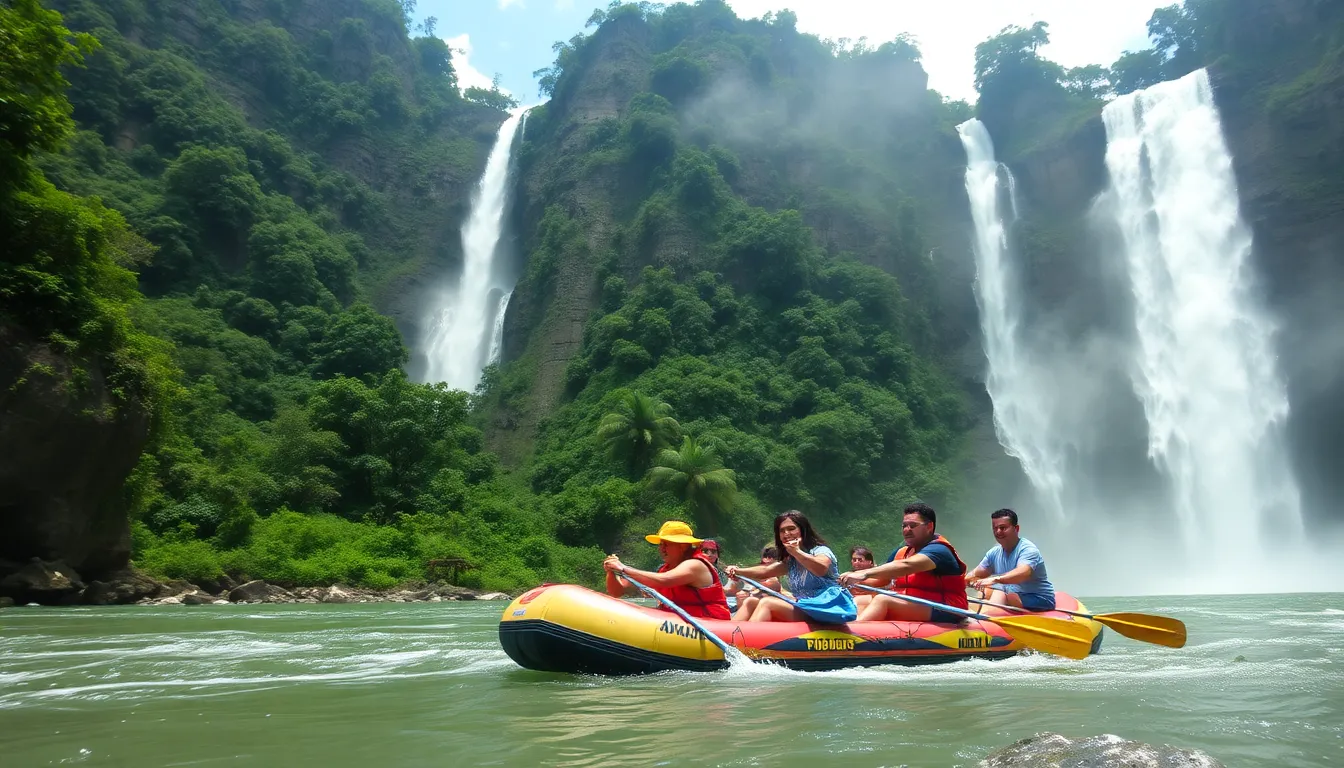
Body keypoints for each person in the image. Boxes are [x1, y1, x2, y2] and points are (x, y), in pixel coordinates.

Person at [839, 502, 968, 624]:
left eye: (912, 526)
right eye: (904, 526)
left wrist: (864, 573)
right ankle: (845, 627)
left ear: (929, 527)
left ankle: (854, 635)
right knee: (859, 601)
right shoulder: (903, 551)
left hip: (946, 608)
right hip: (914, 601)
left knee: (883, 600)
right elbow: (882, 580)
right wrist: (854, 581)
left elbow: (907, 566)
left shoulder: (939, 550)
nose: (906, 530)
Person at [726, 511, 849, 623]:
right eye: (782, 531)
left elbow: (821, 568)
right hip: (806, 608)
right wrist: (737, 571)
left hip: (828, 608)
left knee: (767, 603)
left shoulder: (821, 551)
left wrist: (796, 551)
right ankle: (726, 638)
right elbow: (765, 571)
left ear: (803, 530)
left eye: (791, 529)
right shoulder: (791, 562)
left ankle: (743, 643)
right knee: (750, 602)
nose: (786, 534)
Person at [603, 520, 731, 620]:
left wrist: (624, 568)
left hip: (711, 623)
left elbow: (664, 581)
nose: (662, 549)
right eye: (661, 544)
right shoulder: (664, 569)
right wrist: (611, 572)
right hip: (679, 624)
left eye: (666, 544)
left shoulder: (695, 565)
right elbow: (617, 592)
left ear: (683, 546)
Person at [965, 508, 1056, 612]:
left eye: (1003, 528)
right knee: (986, 590)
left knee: (1002, 593)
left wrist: (994, 579)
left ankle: (983, 618)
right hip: (1013, 594)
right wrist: (962, 582)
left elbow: (1023, 573)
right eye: (995, 528)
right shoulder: (994, 553)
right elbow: (976, 573)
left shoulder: (1028, 549)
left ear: (1016, 528)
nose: (998, 531)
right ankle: (971, 615)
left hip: (1040, 598)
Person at [729, 546, 787, 620]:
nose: (779, 563)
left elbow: (778, 587)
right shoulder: (759, 574)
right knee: (743, 596)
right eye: (778, 560)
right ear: (767, 559)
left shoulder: (774, 578)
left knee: (748, 598)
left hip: (761, 604)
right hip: (747, 606)